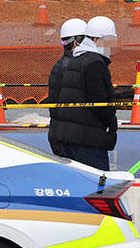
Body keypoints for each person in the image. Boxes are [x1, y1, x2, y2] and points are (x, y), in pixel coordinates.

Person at [49, 16, 118, 170]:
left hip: (70, 137)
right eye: (110, 41)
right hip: (88, 139)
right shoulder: (95, 63)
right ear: (95, 39)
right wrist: (111, 121)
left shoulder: (77, 59)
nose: (113, 46)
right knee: (98, 187)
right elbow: (99, 102)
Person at [47, 18, 88, 155]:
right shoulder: (72, 68)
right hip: (69, 137)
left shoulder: (63, 64)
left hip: (61, 133)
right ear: (76, 42)